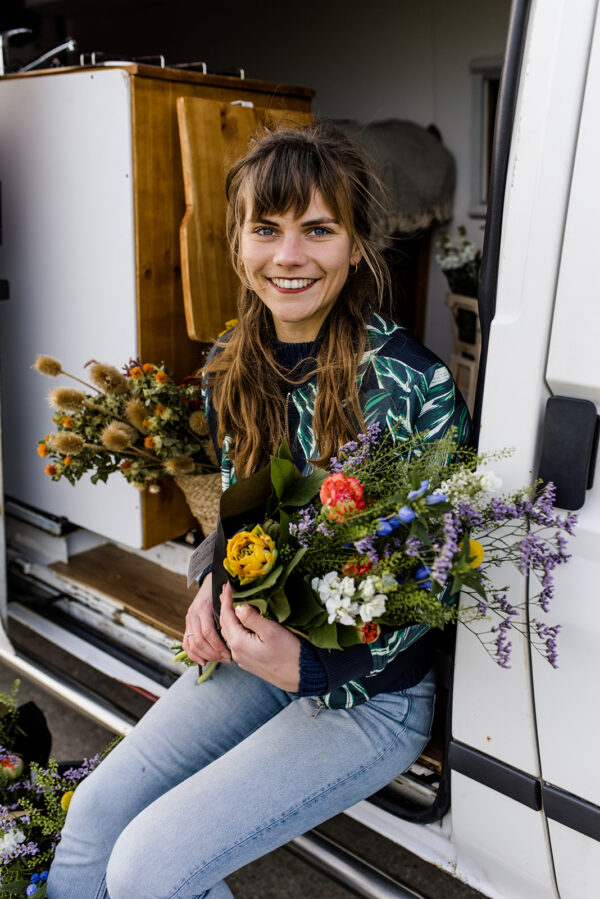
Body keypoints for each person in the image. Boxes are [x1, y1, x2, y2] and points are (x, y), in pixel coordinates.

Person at [47, 123, 470, 898]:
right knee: (93, 818)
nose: (289, 257)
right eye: (266, 229)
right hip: (257, 653)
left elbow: (437, 589)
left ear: (355, 244)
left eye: (318, 229)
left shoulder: (415, 386)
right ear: (238, 243)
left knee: (148, 869)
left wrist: (314, 665)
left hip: (371, 694)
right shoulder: (231, 364)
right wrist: (211, 579)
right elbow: (238, 514)